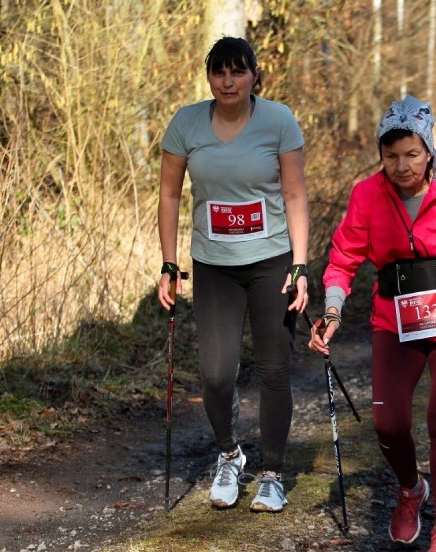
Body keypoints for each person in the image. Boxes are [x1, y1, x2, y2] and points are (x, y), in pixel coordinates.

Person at [309, 95, 436, 552]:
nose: (401, 166)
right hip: (394, 318)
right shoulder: (367, 195)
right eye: (391, 156)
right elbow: (342, 260)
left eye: (412, 154)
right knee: (388, 421)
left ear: (430, 151)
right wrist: (333, 313)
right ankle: (410, 487)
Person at [157, 37, 310, 513]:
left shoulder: (278, 121)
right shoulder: (186, 123)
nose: (228, 81)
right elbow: (168, 196)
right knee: (216, 375)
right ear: (208, 77)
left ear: (254, 76)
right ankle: (229, 455)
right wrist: (169, 262)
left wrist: (301, 265)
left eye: (238, 72)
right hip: (214, 266)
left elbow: (296, 196)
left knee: (274, 369)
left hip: (271, 263)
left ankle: (272, 473)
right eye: (219, 72)